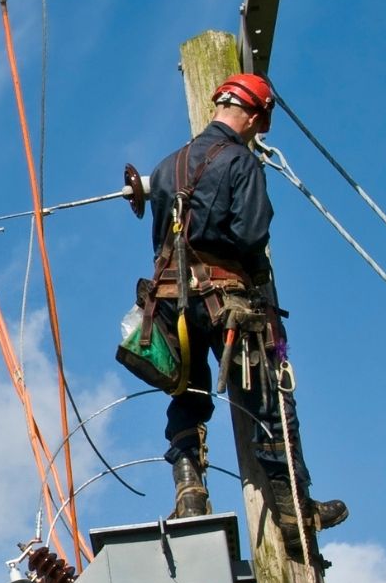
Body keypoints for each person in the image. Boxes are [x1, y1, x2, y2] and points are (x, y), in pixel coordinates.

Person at [144, 72, 347, 550]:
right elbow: (252, 235)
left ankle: (190, 491)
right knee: (270, 402)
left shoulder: (164, 167)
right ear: (255, 115)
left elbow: (160, 240)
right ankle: (295, 513)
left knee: (187, 395)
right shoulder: (240, 162)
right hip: (227, 301)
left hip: (170, 303)